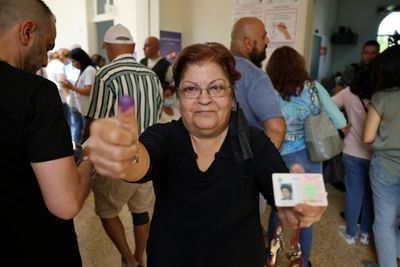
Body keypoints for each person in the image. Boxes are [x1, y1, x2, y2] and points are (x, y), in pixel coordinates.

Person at [87, 42, 326, 267]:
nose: (204, 99)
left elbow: (285, 185)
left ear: (231, 93)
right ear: (178, 95)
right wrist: (126, 156)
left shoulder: (252, 140)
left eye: (216, 87)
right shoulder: (166, 136)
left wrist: (307, 200)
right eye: (191, 88)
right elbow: (141, 160)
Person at [0, 0, 94, 265]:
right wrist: (89, 156)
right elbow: (67, 203)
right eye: (47, 47)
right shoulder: (35, 93)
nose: (44, 59)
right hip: (33, 246)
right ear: (27, 31)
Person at [85, 24, 163, 267]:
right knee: (140, 211)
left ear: (108, 47)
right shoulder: (152, 76)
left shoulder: (106, 75)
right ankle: (141, 257)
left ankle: (128, 259)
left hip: (117, 159)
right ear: (132, 47)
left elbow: (94, 123)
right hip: (148, 159)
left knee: (107, 211)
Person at [265, 45, 346, 267]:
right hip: (310, 161)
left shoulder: (267, 90)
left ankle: (270, 256)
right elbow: (339, 121)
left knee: (279, 207)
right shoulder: (314, 89)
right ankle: (303, 262)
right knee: (308, 212)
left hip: (280, 158)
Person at [363, 45, 400, 267]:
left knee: (384, 222)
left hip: (385, 166)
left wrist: (385, 143)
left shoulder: (381, 97)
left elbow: (367, 137)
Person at [332, 64, 374, 246]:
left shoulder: (348, 93)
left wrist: (342, 123)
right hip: (375, 154)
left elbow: (329, 105)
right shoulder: (379, 95)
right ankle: (365, 233)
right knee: (370, 195)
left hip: (352, 151)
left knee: (354, 193)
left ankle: (350, 234)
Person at [230, 17, 285, 149]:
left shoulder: (215, 66)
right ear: (248, 43)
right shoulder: (255, 76)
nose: (267, 41)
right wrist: (261, 166)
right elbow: (276, 129)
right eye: (263, 37)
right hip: (244, 160)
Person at [60, 47, 97, 144]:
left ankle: (82, 154)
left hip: (87, 109)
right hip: (82, 108)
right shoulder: (84, 70)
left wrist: (72, 87)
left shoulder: (89, 70)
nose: (73, 64)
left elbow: (89, 90)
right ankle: (79, 152)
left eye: (74, 62)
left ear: (80, 59)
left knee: (85, 134)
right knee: (79, 131)